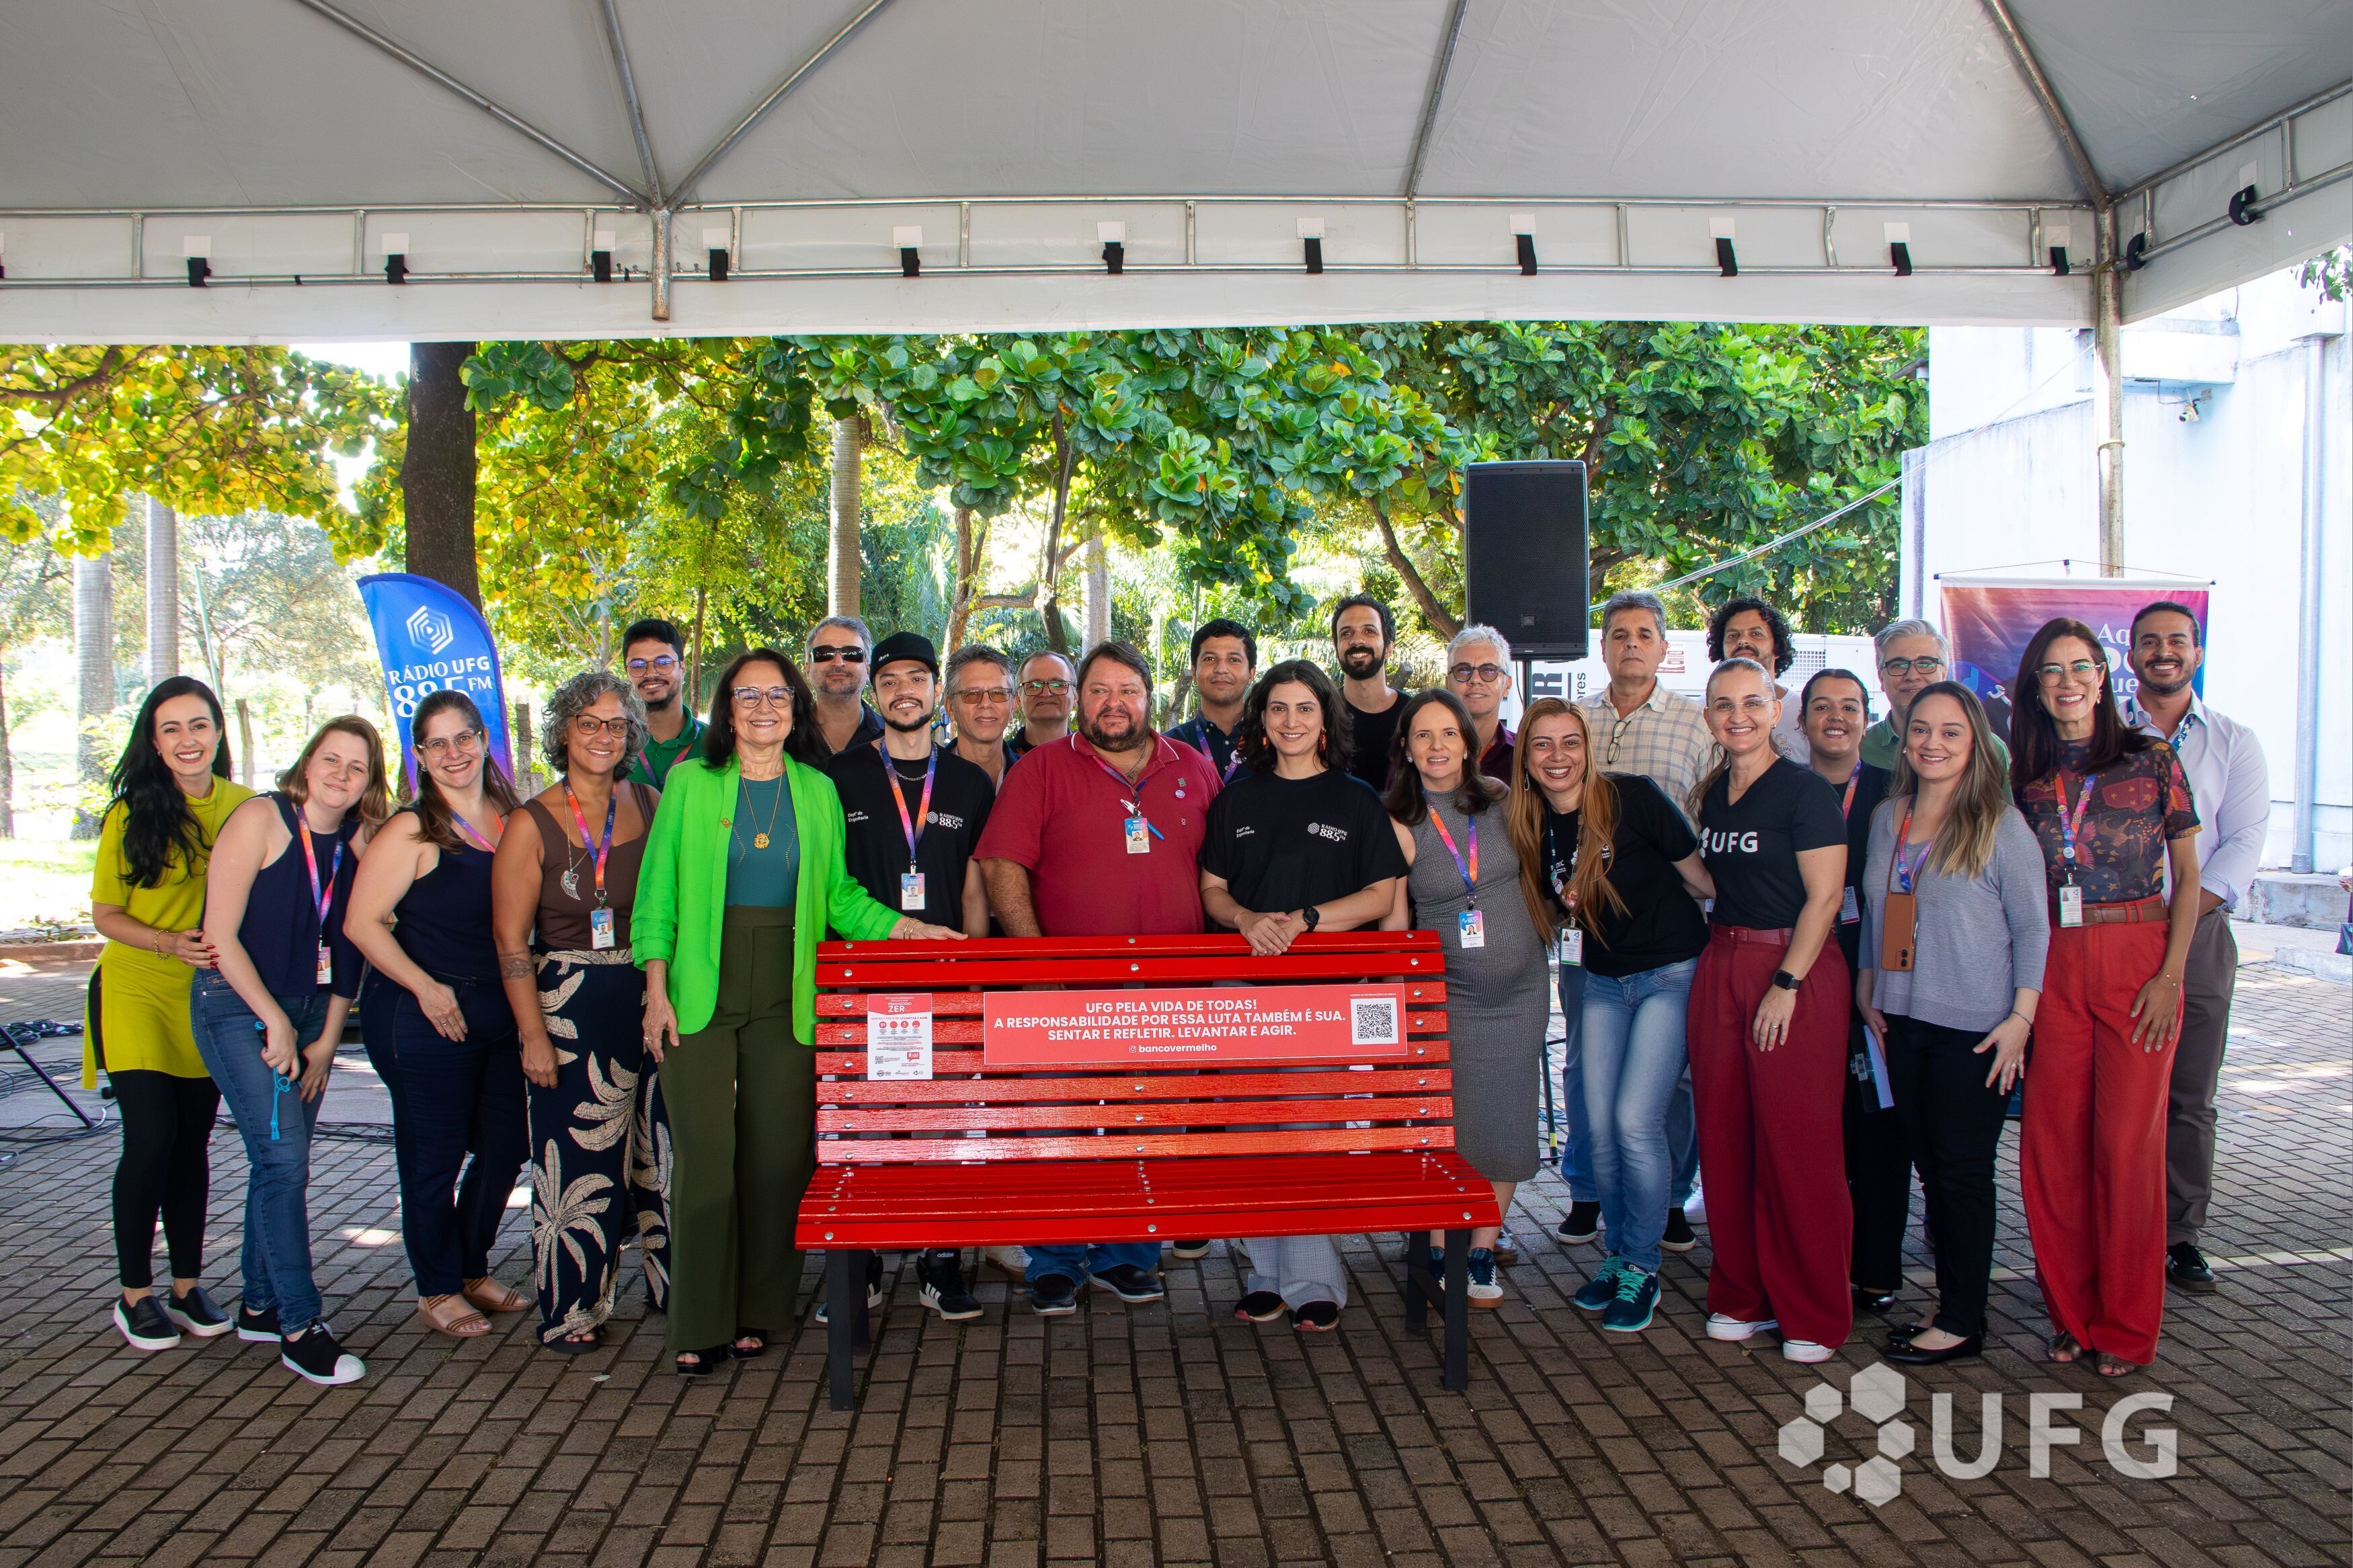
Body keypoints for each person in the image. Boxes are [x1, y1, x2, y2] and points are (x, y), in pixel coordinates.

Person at [638, 649, 963, 1374]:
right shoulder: (689, 782)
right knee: (706, 1161)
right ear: (725, 709)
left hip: (787, 986)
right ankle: (698, 1320)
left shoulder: (816, 789)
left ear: (795, 708)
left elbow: (838, 897)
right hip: (698, 987)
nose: (762, 708)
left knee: (777, 1160)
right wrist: (655, 988)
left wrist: (909, 928)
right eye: (747, 696)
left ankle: (760, 1310)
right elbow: (657, 894)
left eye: (776, 695)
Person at [975, 641, 1222, 1313]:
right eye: (1099, 691)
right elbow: (1002, 866)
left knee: (1150, 1129)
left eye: (1128, 690)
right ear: (1079, 700)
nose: (1114, 703)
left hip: (1171, 993)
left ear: (1151, 699)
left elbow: (1222, 875)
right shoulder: (1042, 770)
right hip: (1065, 992)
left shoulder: (1194, 770)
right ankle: (1054, 1259)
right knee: (1058, 1128)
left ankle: (1127, 1254)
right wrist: (1032, 962)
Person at [2011, 618, 2200, 1377]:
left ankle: (2123, 1325)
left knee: (2125, 1148)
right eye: (2051, 670)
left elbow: (2188, 877)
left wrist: (2169, 974)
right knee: (2051, 1147)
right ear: (2034, 684)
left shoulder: (2149, 758)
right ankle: (2069, 1313)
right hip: (2050, 959)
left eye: (2079, 666)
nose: (2066, 681)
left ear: (2101, 675)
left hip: (2136, 957)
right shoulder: (2019, 774)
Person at [1197, 660, 1406, 1331]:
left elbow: (1379, 894)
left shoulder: (1353, 799)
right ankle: (1265, 1272)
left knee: (1309, 1133)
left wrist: (1308, 918)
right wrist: (1243, 919)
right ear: (1262, 718)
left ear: (1325, 719)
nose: (1290, 721)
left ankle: (1314, 1279)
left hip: (1320, 993)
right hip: (1243, 991)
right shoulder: (1237, 797)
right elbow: (1211, 887)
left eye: (1303, 709)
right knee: (1253, 1136)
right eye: (1278, 708)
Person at [190, 716, 388, 1386]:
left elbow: (353, 945)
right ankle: (301, 1325)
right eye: (330, 759)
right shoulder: (260, 819)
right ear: (307, 764)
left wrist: (329, 1036)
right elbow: (218, 932)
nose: (340, 774)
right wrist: (274, 1020)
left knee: (273, 1161)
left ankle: (257, 1302)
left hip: (309, 1016)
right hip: (237, 1005)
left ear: (369, 782)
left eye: (356, 766)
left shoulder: (360, 844)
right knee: (284, 1159)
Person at [1857, 682, 2047, 1366]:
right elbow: (1879, 911)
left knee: (1961, 1172)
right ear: (1904, 741)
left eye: (1949, 732)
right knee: (1930, 1168)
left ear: (1974, 745)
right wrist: (1865, 984)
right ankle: (1949, 1304)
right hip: (1900, 1019)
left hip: (1977, 1030)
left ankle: (1963, 1319)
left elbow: (2032, 929)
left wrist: (2021, 1018)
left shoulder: (1999, 824)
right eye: (1920, 731)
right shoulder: (1888, 818)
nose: (1931, 743)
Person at [1510, 700, 1710, 1334]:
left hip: (1670, 974)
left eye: (1571, 742)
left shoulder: (1634, 797)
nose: (1558, 756)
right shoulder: (1529, 821)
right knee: (1596, 1124)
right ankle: (1620, 1255)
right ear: (1527, 757)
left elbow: (1704, 881)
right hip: (1598, 981)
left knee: (1634, 1121)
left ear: (1589, 747)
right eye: (1543, 745)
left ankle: (1641, 1265)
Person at [491, 671, 670, 1354]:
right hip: (568, 1001)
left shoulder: (651, 804)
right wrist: (532, 1034)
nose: (602, 735)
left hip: (652, 991)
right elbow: (510, 943)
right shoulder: (529, 823)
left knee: (663, 1152)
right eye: (588, 722)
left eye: (615, 723)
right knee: (574, 1158)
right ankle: (573, 1307)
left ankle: (674, 1286)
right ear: (563, 730)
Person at [348, 690, 532, 1342]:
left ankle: (471, 1266)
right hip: (421, 1014)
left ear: (485, 741)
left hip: (497, 1011)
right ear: (420, 757)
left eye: (464, 737)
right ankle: (436, 1286)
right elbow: (361, 923)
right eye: (437, 743)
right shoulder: (411, 829)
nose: (454, 752)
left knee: (508, 1143)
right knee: (434, 1157)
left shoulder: (512, 817)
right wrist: (425, 986)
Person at [1687, 657, 1852, 1363]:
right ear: (1707, 717)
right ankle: (1740, 1293)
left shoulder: (1804, 791)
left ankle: (1811, 1306)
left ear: (1776, 705)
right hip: (1721, 960)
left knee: (1796, 1144)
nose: (1738, 716)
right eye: (1722, 705)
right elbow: (1714, 879)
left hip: (1793, 971)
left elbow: (1823, 899)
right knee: (1725, 1138)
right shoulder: (1714, 795)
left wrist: (1785, 981)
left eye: (1751, 702)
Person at [85, 677, 253, 1354]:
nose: (188, 740)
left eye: (199, 725)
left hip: (208, 996)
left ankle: (187, 1285)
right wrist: (167, 941)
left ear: (218, 731)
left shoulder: (249, 808)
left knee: (192, 1145)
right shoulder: (131, 813)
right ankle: (134, 1293)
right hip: (136, 988)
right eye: (172, 729)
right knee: (151, 1138)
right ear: (153, 742)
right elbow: (104, 914)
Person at [1383, 690, 1548, 1309]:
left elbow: (1538, 874)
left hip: (1525, 987)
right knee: (1453, 1124)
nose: (1437, 747)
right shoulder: (1397, 821)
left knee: (1507, 1117)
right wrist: (1403, 1002)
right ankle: (1436, 1240)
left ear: (1468, 743)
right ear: (1406, 746)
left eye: (1448, 733)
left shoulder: (1502, 801)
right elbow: (1395, 922)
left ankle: (1481, 1249)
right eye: (1422, 735)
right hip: (1448, 994)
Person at [2122, 601, 2268, 1296]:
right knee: (2116, 1089)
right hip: (2110, 931)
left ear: (2196, 651)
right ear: (2130, 657)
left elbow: (2241, 843)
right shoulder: (2104, 734)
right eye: (2148, 642)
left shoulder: (2235, 740)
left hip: (2201, 932)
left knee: (2187, 1093)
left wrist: (2180, 910)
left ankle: (2179, 1233)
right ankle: (2117, 1222)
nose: (2162, 652)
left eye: (2175, 641)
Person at [1577, 589, 1711, 1245]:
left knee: (1664, 1094)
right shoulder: (1574, 724)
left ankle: (1665, 1207)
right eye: (1618, 633)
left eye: (1643, 633)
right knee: (1594, 1088)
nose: (1630, 643)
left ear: (1663, 646)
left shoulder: (1695, 723)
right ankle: (1597, 1205)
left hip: (1669, 945)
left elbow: (1711, 822)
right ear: (1601, 648)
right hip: (1595, 944)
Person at [1799, 668, 1908, 1314]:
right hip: (1803, 978)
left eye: (1849, 706)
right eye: (1821, 707)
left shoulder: (1896, 795)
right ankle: (1819, 1258)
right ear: (1803, 718)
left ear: (1867, 717)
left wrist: (1885, 978)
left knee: (1876, 1128)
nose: (1835, 717)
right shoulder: (1785, 789)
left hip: (1873, 984)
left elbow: (1905, 889)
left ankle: (1876, 1266)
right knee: (1815, 1131)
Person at [1861, 619, 2011, 773]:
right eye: (1899, 665)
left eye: (1925, 664)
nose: (1912, 676)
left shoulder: (1989, 749)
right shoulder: (1859, 750)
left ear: (1944, 673)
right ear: (1880, 678)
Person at [1708, 595, 1807, 764]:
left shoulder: (1803, 712)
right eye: (1733, 636)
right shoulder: (1702, 710)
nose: (1743, 641)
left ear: (1777, 647)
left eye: (1756, 634)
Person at [1168, 618, 1256, 782]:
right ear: (1194, 672)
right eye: (1210, 659)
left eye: (1234, 660)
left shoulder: (1273, 744)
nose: (1221, 669)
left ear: (1251, 673)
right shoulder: (1168, 747)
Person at [621, 618, 706, 788]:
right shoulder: (611, 742)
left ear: (682, 667)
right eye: (638, 665)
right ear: (627, 672)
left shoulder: (719, 744)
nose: (651, 673)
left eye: (664, 663)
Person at [1332, 595, 1404, 792]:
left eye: (1369, 631)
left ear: (1389, 647)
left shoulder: (1414, 715)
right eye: (1346, 634)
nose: (1357, 641)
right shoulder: (1320, 714)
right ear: (1336, 648)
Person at [1444, 624, 1517, 783]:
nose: (1475, 680)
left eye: (1489, 670)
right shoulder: (1421, 753)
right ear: (1447, 685)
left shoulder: (1526, 754)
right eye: (1463, 670)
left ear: (1507, 685)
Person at [944, 644, 1022, 790]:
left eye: (998, 693)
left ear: (1014, 704)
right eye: (972, 694)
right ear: (950, 707)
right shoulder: (925, 778)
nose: (986, 704)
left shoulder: (1033, 778)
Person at [805, 616, 885, 757]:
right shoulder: (785, 737)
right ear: (808, 666)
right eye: (824, 653)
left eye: (852, 654)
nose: (839, 662)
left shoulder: (892, 736)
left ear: (868, 668)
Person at [1007, 650, 1077, 756]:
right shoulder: (1000, 760)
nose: (1046, 693)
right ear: (1018, 699)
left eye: (1058, 685)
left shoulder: (1095, 761)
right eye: (1034, 686)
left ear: (1075, 697)